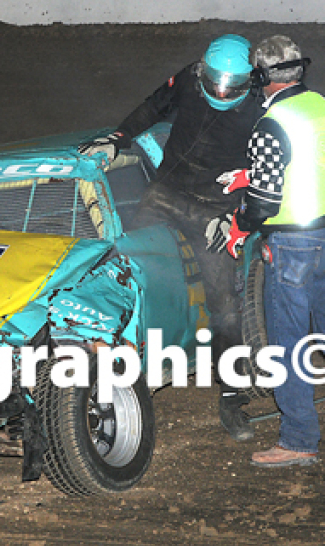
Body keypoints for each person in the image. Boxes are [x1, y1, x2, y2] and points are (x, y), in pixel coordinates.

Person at [78, 34, 264, 442]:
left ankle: (232, 396)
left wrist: (236, 215)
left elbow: (270, 171)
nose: (220, 92)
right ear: (203, 71)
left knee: (224, 303)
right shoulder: (188, 80)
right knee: (127, 269)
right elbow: (152, 106)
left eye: (230, 87)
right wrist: (118, 139)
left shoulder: (262, 106)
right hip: (166, 194)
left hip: (216, 209)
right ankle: (120, 363)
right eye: (214, 83)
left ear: (249, 80)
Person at [206, 35, 325, 466]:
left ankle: (298, 439)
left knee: (288, 343)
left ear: (260, 76)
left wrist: (239, 226)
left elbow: (264, 201)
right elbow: (314, 163)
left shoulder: (271, 122)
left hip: (293, 245)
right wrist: (251, 173)